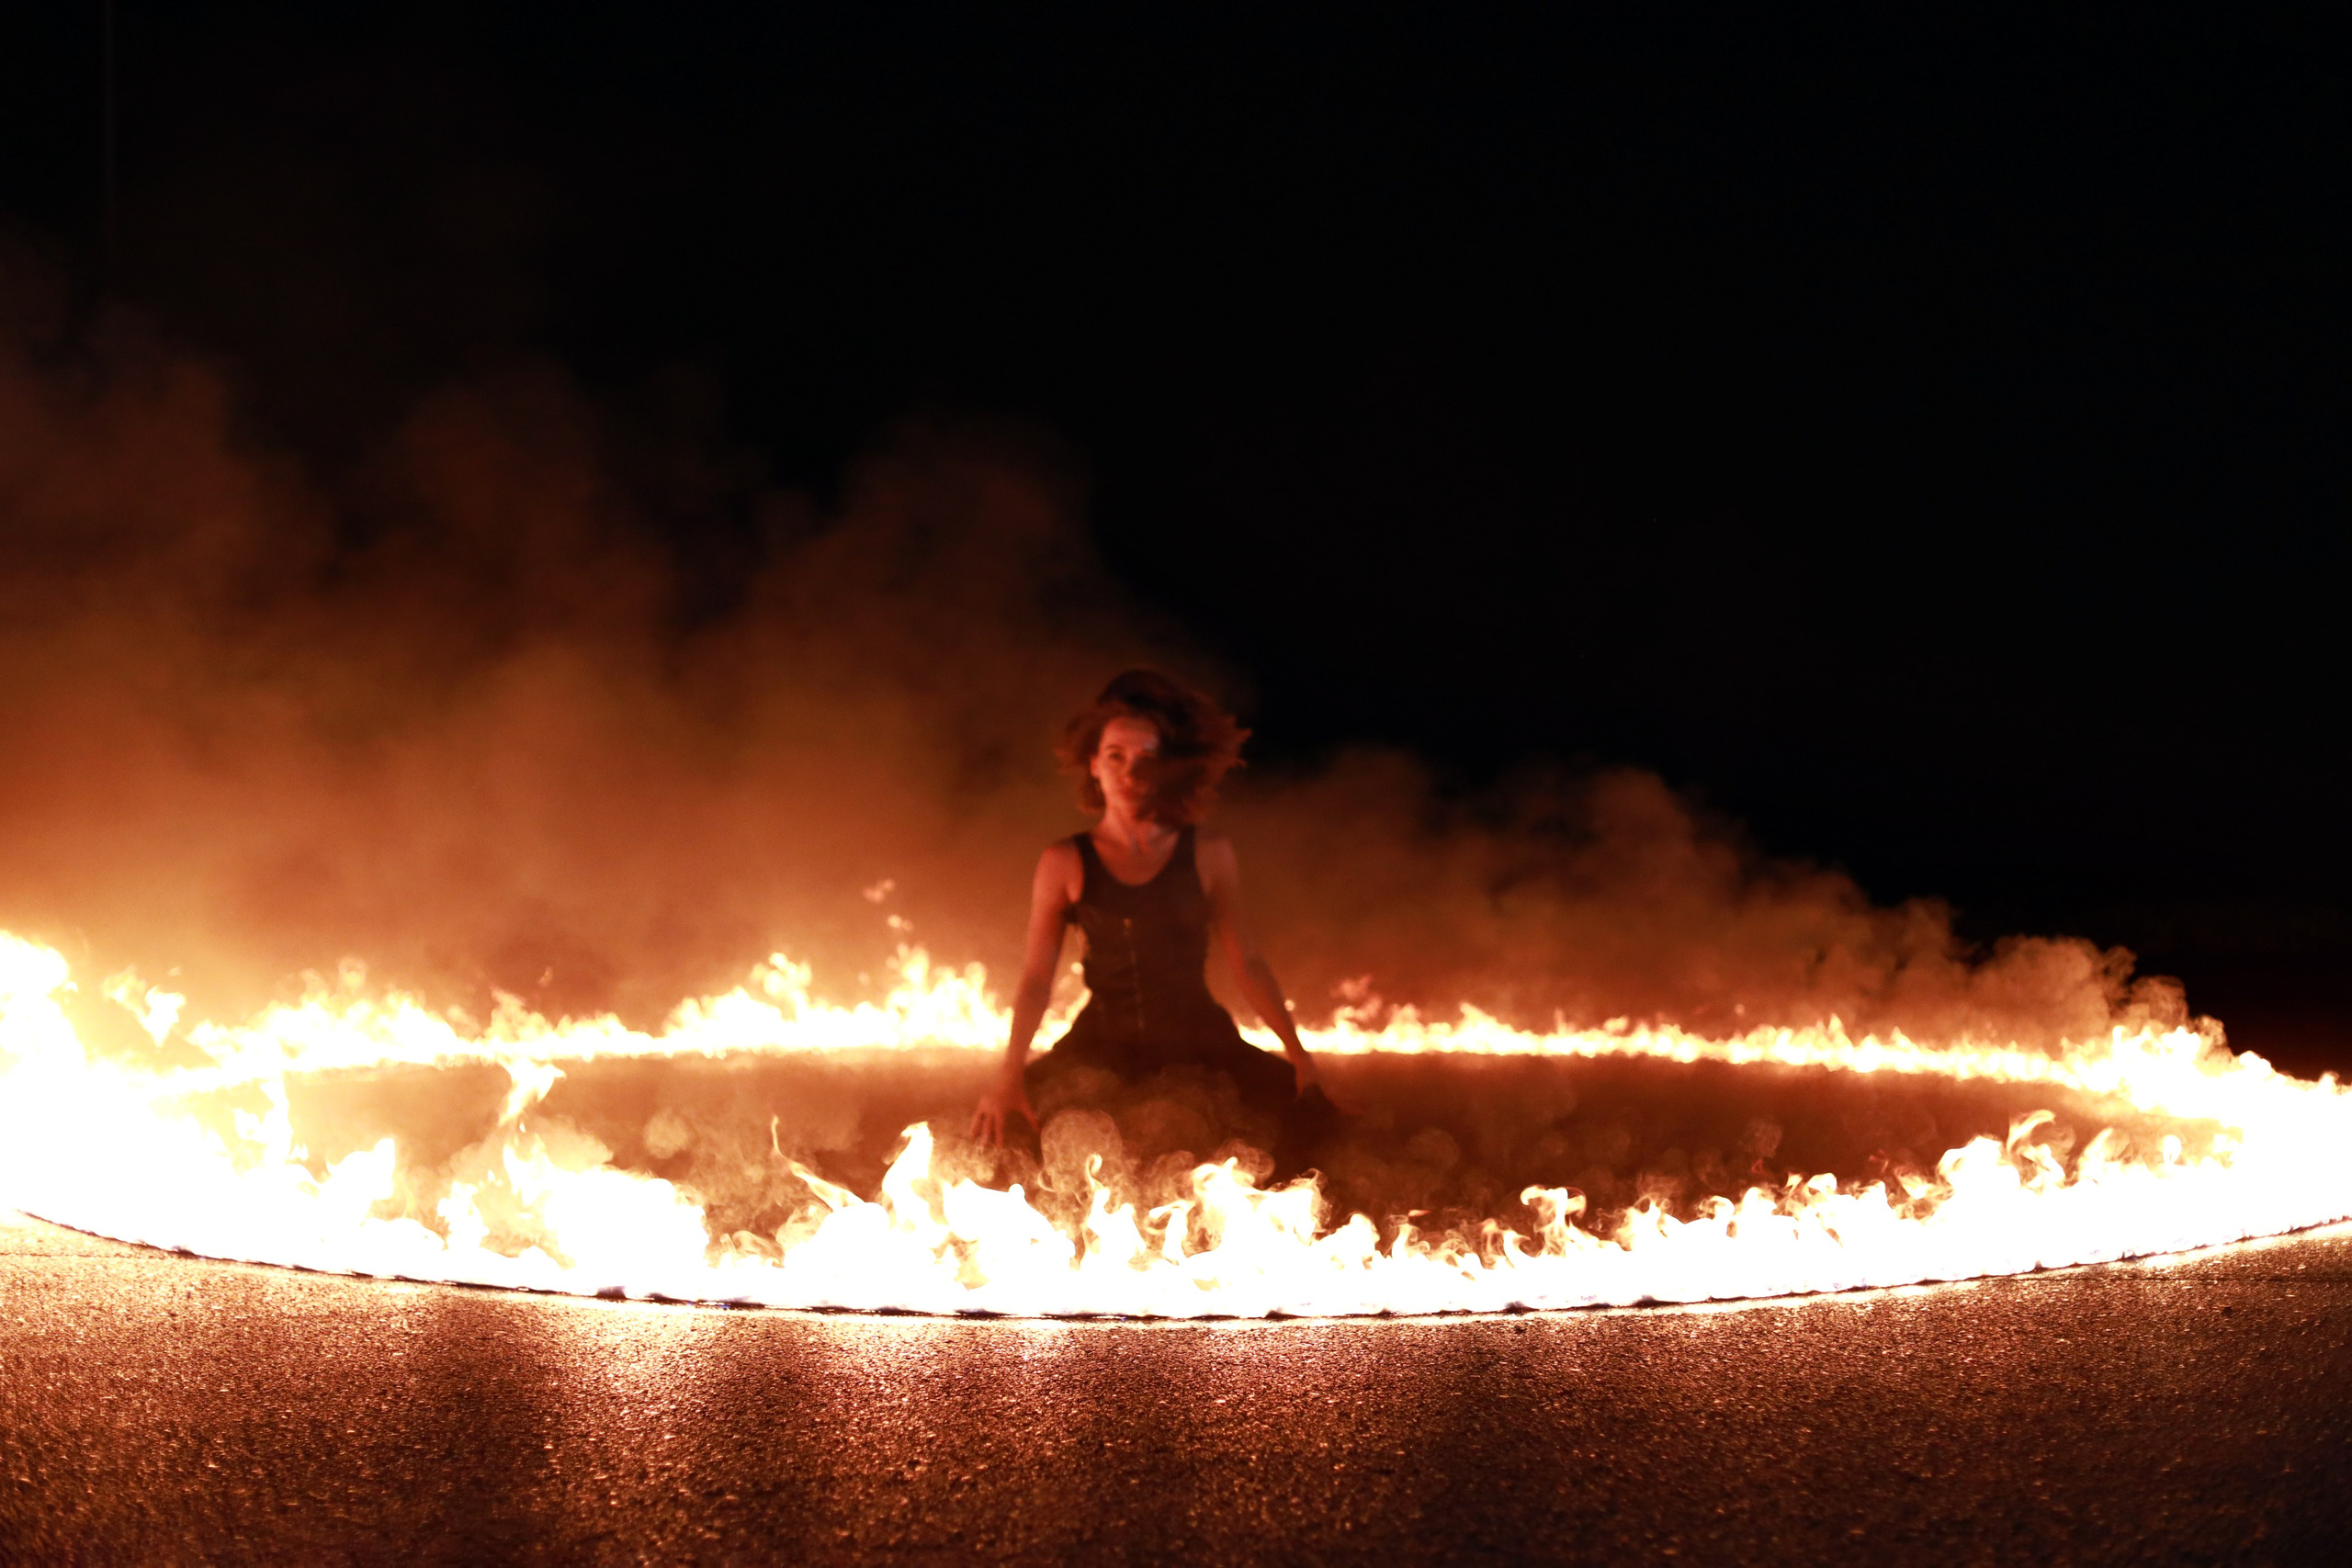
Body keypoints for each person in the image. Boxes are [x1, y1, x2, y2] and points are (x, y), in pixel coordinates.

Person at [969, 670, 1337, 1167]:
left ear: (1167, 768)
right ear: (1093, 765)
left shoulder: (1209, 852)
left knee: (1301, 1127)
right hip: (1101, 1049)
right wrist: (1009, 1074)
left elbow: (1247, 961)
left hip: (1201, 1045)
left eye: (1147, 758)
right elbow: (1036, 978)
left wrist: (1301, 1058)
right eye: (1115, 756)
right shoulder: (1064, 861)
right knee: (1015, 1134)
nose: (1131, 773)